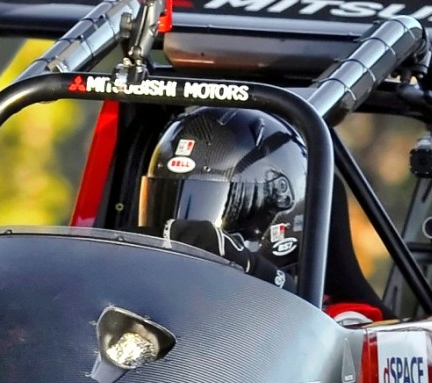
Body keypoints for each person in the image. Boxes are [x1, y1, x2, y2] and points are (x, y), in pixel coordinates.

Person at [133, 106, 387, 314]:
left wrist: (263, 275)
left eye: (209, 201)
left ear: (279, 202)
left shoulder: (343, 319)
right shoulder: (148, 296)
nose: (180, 226)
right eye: (169, 199)